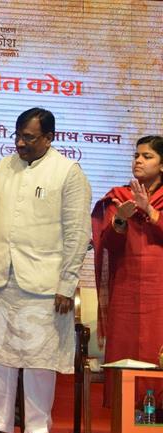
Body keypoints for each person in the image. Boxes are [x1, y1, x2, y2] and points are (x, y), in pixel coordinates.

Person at [0, 108, 91, 433]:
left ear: (49, 138)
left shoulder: (68, 172)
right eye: (18, 135)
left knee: (40, 358)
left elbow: (77, 233)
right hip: (1, 277)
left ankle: (38, 427)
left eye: (29, 137)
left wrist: (67, 284)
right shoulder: (4, 168)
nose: (20, 143)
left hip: (45, 282)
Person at [92, 135, 163, 413]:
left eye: (147, 156)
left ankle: (157, 419)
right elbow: (109, 244)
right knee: (126, 349)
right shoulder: (119, 197)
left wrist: (150, 212)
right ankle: (127, 420)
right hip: (126, 287)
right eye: (136, 155)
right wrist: (120, 219)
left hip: (159, 290)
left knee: (155, 348)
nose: (138, 160)